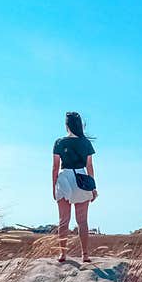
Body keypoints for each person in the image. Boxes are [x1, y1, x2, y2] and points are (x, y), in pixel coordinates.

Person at [52, 111, 98, 262]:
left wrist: (53, 187)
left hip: (65, 178)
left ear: (66, 125)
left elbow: (55, 167)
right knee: (82, 221)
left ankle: (63, 254)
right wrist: (93, 187)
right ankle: (85, 255)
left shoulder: (59, 142)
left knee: (63, 220)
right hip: (82, 178)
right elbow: (90, 166)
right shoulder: (85, 142)